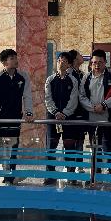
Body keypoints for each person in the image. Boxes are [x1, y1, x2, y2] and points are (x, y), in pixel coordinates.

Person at [0, 49, 34, 186]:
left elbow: (27, 96)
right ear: (4, 62)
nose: (16, 60)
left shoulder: (23, 77)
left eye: (16, 57)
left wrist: (29, 112)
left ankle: (9, 177)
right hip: (0, 122)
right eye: (12, 58)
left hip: (15, 121)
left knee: (13, 151)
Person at [79, 49, 111, 188]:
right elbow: (82, 96)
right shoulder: (86, 77)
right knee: (94, 148)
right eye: (94, 62)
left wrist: (104, 105)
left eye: (100, 62)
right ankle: (95, 176)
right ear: (91, 63)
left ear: (105, 62)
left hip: (109, 118)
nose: (96, 65)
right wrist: (92, 108)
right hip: (92, 118)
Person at [43, 51, 81, 185]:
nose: (61, 63)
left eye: (64, 61)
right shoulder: (50, 79)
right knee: (51, 147)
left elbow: (73, 100)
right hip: (53, 118)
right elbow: (47, 98)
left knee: (69, 147)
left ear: (69, 64)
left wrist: (64, 113)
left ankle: (71, 174)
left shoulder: (73, 80)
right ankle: (50, 175)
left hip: (68, 118)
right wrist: (55, 112)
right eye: (59, 60)